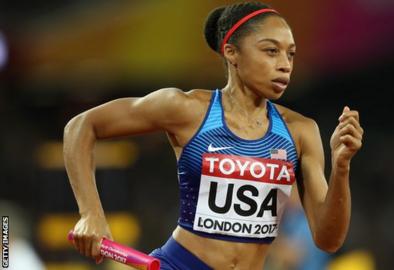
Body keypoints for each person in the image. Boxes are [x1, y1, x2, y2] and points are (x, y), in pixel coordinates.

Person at [63, 2, 364, 270]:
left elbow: (328, 240)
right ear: (231, 52)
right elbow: (80, 127)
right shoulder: (186, 109)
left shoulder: (300, 130)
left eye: (291, 53)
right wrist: (91, 214)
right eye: (271, 51)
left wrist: (341, 167)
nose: (285, 64)